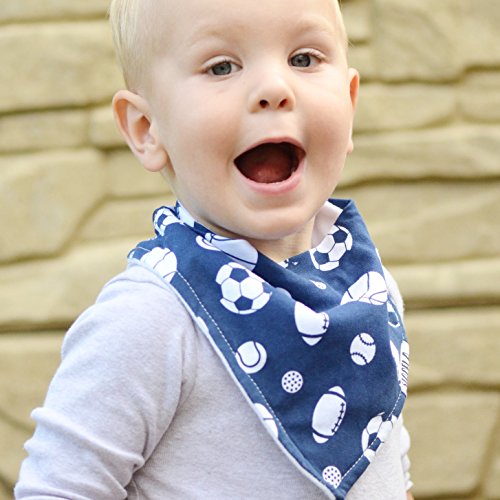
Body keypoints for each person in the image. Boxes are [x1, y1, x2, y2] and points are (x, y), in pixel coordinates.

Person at [15, 0, 414, 498]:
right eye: (221, 67)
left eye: (304, 59)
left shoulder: (365, 286)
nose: (274, 88)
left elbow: (387, 466)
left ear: (350, 106)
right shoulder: (151, 320)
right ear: (147, 129)